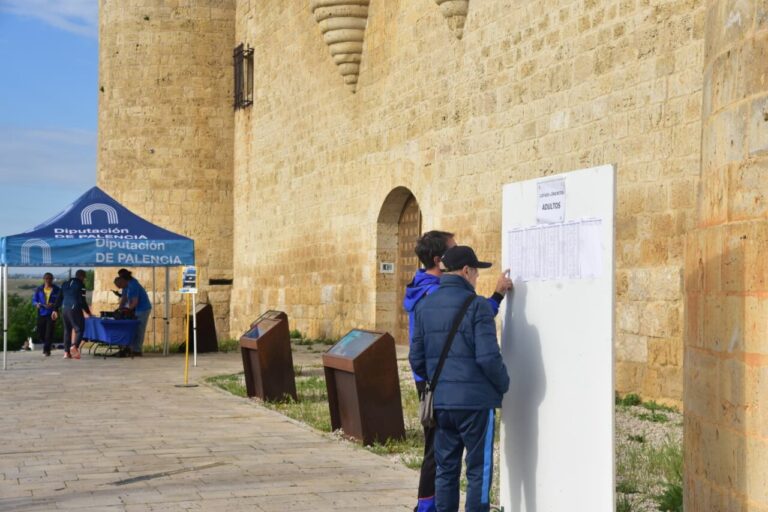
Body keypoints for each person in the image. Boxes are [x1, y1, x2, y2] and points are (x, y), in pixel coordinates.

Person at [403, 231, 512, 512]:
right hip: (476, 404)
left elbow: (416, 359)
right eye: (476, 273)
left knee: (446, 471)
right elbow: (488, 357)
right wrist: (503, 385)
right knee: (478, 472)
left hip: (441, 403)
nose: (476, 278)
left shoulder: (424, 306)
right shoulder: (476, 306)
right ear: (465, 271)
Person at [52, 269, 91, 359]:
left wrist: (55, 310)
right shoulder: (81, 285)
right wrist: (88, 312)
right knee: (79, 329)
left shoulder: (65, 284)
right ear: (81, 276)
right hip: (75, 308)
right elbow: (82, 301)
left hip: (64, 308)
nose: (84, 279)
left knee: (67, 330)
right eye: (84, 277)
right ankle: (74, 346)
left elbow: (59, 297)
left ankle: (66, 353)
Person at [116, 269, 151, 356]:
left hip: (143, 309)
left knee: (139, 329)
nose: (119, 288)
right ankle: (129, 348)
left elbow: (134, 302)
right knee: (132, 329)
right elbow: (124, 298)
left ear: (123, 279)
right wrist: (119, 309)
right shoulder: (126, 285)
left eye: (119, 284)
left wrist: (127, 310)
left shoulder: (133, 285)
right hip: (136, 309)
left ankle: (137, 350)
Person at [32, 273, 61, 356]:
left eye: (50, 278)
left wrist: (54, 304)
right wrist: (37, 304)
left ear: (52, 279)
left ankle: (46, 350)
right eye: (47, 278)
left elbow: (60, 300)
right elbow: (34, 300)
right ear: (44, 279)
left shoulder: (57, 289)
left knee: (49, 332)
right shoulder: (39, 289)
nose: (48, 280)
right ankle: (47, 344)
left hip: (52, 313)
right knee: (40, 332)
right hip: (41, 312)